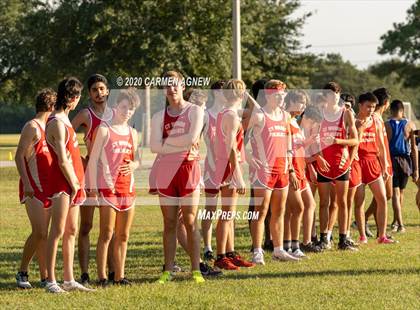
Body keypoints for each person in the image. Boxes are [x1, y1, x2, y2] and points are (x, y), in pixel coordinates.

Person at [150, 70, 205, 284]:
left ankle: (196, 270)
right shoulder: (158, 117)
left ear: (182, 86)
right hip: (166, 172)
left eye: (175, 84)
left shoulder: (195, 111)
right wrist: (178, 143)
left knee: (191, 221)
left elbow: (193, 138)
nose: (171, 89)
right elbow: (154, 147)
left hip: (188, 170)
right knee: (169, 223)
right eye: (166, 85)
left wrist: (167, 145)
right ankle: (168, 270)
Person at [88, 89, 140, 285]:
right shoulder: (104, 130)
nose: (127, 111)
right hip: (108, 188)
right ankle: (102, 276)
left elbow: (137, 161)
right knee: (106, 234)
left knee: (123, 235)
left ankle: (120, 275)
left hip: (128, 189)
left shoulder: (133, 133)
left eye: (131, 108)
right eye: (124, 107)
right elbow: (93, 161)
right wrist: (92, 188)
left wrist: (133, 165)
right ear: (116, 106)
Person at [45, 77, 91, 293]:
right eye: (78, 96)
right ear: (73, 98)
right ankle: (51, 280)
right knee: (57, 231)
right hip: (62, 183)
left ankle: (69, 279)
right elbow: (62, 160)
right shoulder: (56, 122)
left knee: (71, 230)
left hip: (73, 183)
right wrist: (74, 184)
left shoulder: (65, 120)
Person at [247, 79, 297, 264]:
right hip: (263, 171)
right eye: (278, 94)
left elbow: (288, 141)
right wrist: (249, 158)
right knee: (261, 211)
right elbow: (240, 138)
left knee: (279, 211)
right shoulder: (259, 115)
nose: (282, 97)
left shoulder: (285, 116)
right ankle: (257, 250)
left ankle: (278, 249)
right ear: (268, 95)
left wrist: (290, 166)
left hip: (281, 169)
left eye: (283, 94)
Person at [71, 73, 114, 284]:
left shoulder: (116, 114)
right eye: (94, 90)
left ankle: (113, 271)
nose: (99, 93)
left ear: (107, 91)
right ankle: (85, 273)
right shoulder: (86, 115)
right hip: (90, 177)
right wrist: (79, 159)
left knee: (110, 229)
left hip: (112, 178)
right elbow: (65, 135)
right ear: (89, 93)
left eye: (102, 89)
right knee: (86, 226)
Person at [15, 89, 56, 289]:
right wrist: (28, 183)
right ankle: (23, 271)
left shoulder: (50, 127)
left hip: (50, 188)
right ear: (51, 107)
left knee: (44, 234)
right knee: (39, 232)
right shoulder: (32, 127)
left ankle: (44, 276)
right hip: (33, 187)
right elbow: (18, 156)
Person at [213, 79, 255, 270]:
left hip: (229, 165)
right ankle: (221, 256)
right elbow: (230, 146)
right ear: (240, 93)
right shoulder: (230, 115)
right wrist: (237, 174)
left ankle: (230, 252)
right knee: (227, 214)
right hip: (228, 167)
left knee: (230, 214)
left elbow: (257, 112)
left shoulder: (229, 113)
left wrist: (245, 95)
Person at [313, 82, 359, 251]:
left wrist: (338, 141)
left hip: (341, 163)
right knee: (324, 202)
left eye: (337, 94)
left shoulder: (346, 114)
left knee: (342, 202)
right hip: (324, 164)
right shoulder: (319, 114)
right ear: (325, 96)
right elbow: (311, 141)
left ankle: (343, 239)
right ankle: (324, 238)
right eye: (331, 94)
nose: (335, 97)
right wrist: (318, 156)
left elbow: (355, 140)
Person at [352, 93, 394, 244]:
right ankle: (362, 235)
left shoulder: (374, 121)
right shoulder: (353, 121)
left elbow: (381, 146)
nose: (371, 110)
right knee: (359, 202)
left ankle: (381, 236)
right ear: (360, 105)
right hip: (358, 163)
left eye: (373, 107)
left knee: (382, 198)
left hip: (373, 162)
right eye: (368, 106)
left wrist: (385, 165)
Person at [283, 90, 320, 258]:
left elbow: (299, 147)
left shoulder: (295, 122)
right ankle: (290, 245)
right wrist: (290, 170)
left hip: (300, 169)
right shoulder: (285, 119)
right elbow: (285, 148)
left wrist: (310, 163)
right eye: (301, 103)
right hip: (291, 170)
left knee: (309, 205)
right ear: (291, 101)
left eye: (305, 103)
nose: (303, 107)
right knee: (295, 209)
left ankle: (299, 244)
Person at [363, 88, 393, 237]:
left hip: (384, 159)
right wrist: (384, 164)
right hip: (376, 161)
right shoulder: (374, 118)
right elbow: (378, 144)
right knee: (385, 195)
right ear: (386, 103)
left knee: (386, 195)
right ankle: (365, 220)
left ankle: (378, 229)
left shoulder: (379, 118)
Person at [385, 100, 418, 232]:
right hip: (405, 161)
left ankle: (400, 224)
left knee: (396, 193)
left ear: (390, 110)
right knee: (400, 192)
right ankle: (397, 222)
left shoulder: (386, 125)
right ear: (403, 110)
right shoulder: (411, 125)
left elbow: (383, 147)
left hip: (392, 160)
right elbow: (414, 148)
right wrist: (416, 169)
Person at [201, 80, 225, 262]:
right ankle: (207, 247)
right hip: (211, 167)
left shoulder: (232, 114)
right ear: (216, 93)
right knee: (210, 209)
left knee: (228, 211)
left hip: (229, 169)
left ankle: (225, 249)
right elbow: (201, 143)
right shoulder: (206, 115)